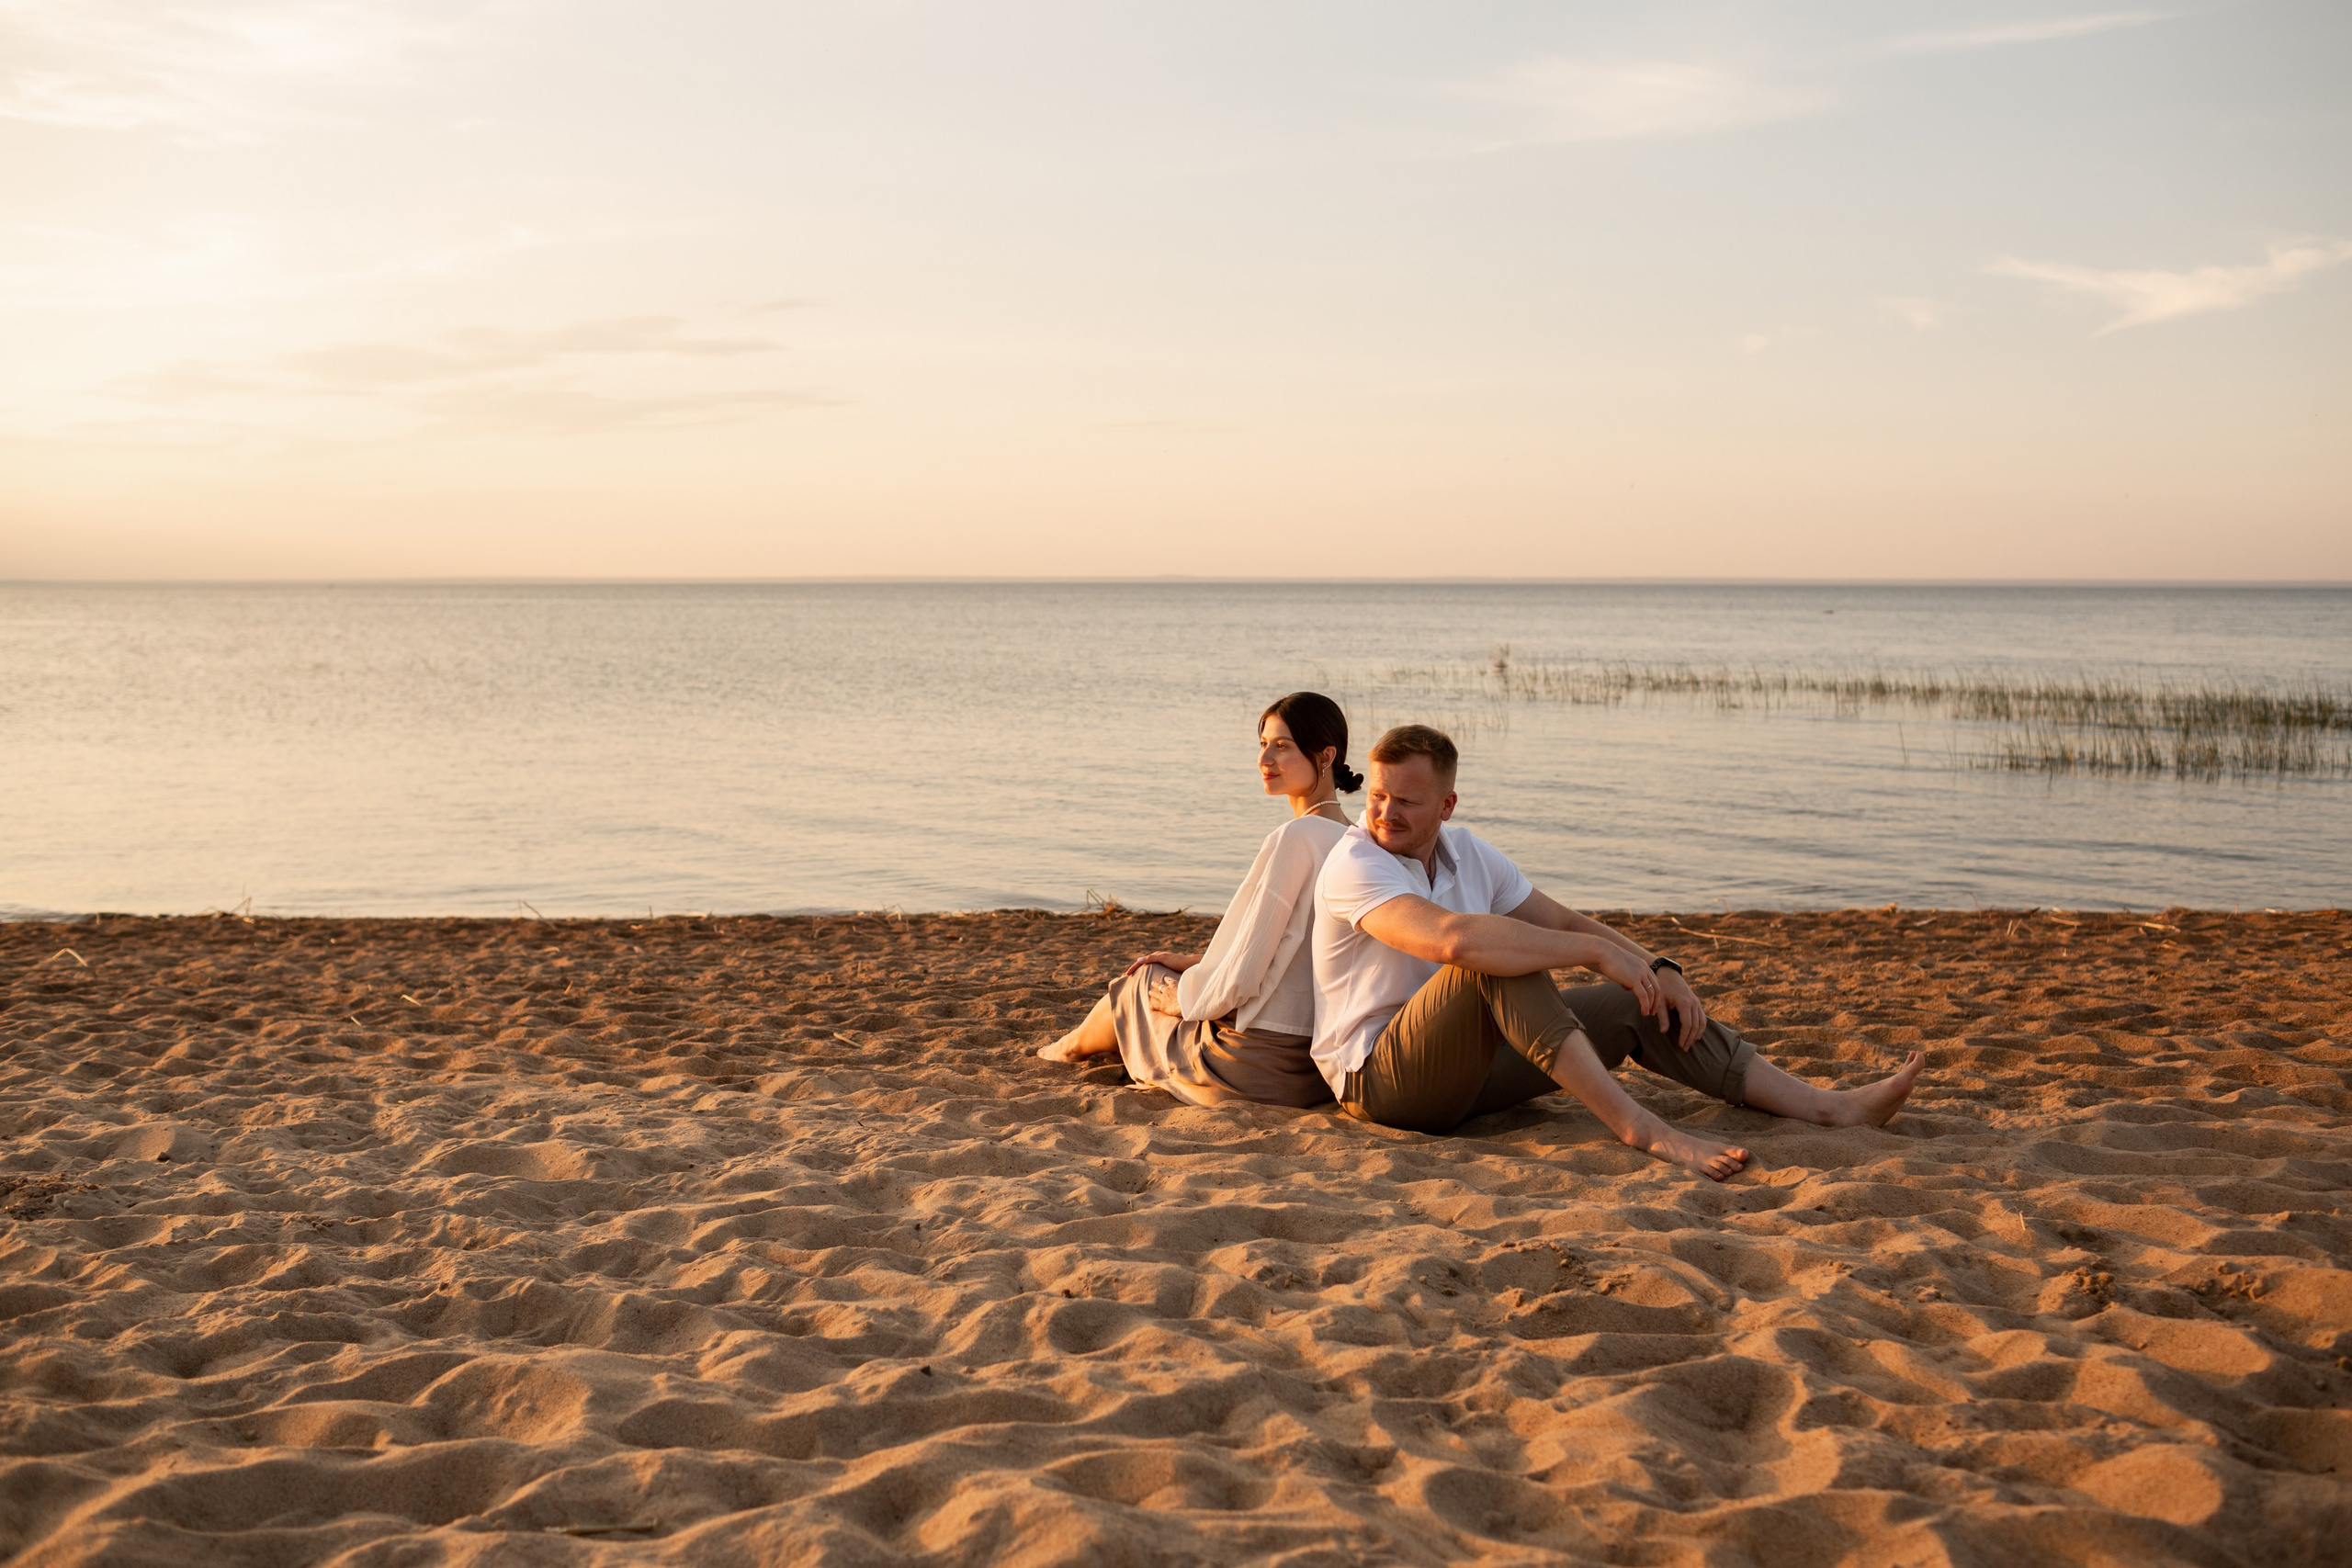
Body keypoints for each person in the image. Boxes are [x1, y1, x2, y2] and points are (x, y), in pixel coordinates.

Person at [1311, 724, 1926, 1179]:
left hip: (1472, 1072)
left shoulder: (1467, 850)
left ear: (1446, 806)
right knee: (1492, 962)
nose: (1385, 813)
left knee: (1634, 1000)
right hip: (1383, 1083)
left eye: (1407, 802)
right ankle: (1642, 1127)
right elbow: (1455, 940)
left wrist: (1655, 968)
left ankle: (1828, 1108)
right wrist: (1594, 953)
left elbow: (1564, 918)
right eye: (1378, 797)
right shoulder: (1355, 862)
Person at [1038, 693, 1359, 1106]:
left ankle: (1064, 1050)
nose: (1264, 761)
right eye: (1262, 745)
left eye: (1282, 747)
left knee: (1141, 982)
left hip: (1250, 1070)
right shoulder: (1360, 843)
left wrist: (1186, 998)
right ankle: (1075, 1045)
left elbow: (1243, 976)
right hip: (1316, 1072)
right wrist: (1197, 963)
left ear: (1326, 755)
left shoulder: (1295, 838)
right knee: (1165, 974)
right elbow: (1297, 951)